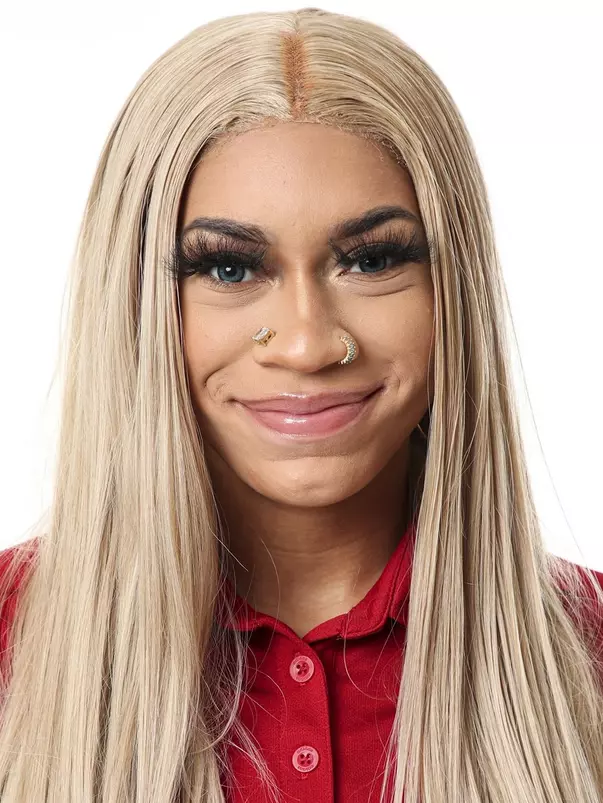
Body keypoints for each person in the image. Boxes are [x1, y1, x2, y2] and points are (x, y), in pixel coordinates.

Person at [0, 7, 601, 803]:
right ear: (137, 301)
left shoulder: (586, 650)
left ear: (452, 287)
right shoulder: (13, 640)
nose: (308, 344)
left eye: (373, 258)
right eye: (228, 269)